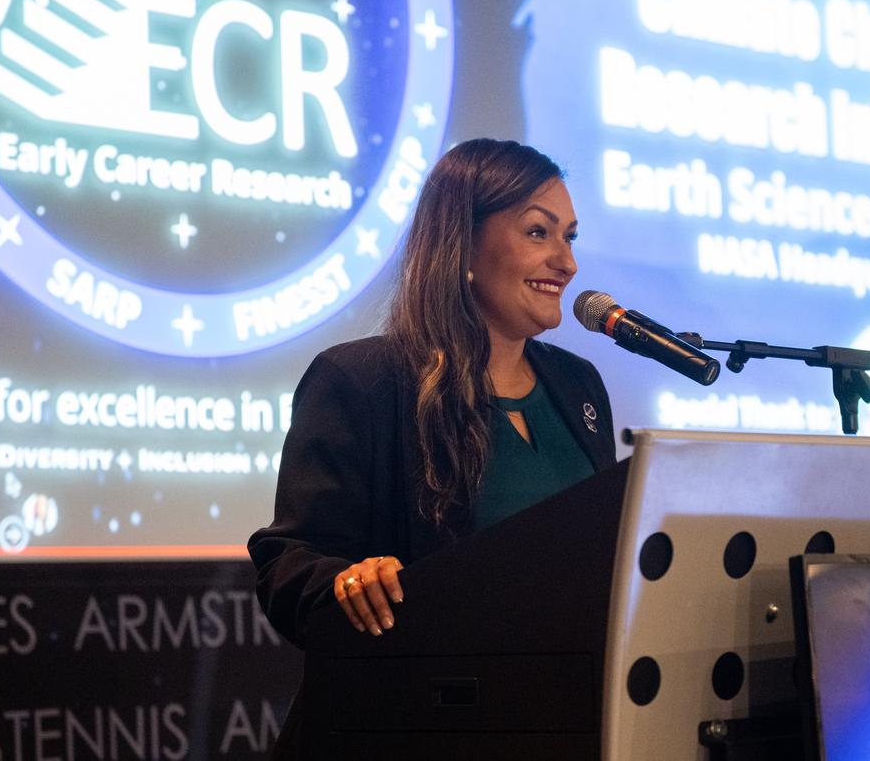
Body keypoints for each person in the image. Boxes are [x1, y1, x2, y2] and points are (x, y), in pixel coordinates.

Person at [247, 138, 617, 754]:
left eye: (570, 237)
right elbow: (288, 561)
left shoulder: (578, 386)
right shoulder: (362, 382)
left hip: (556, 724)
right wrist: (346, 581)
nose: (566, 262)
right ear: (463, 244)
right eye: (538, 232)